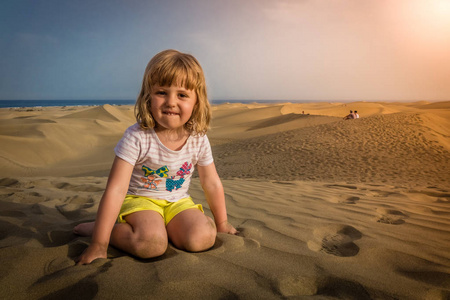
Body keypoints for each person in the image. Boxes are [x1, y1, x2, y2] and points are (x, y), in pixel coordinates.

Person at [74, 49, 237, 265]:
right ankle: (105, 230)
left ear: (196, 101)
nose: (170, 102)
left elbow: (211, 183)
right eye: (162, 92)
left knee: (202, 238)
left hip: (178, 202)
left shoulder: (198, 138)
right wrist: (98, 244)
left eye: (182, 95)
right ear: (148, 95)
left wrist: (222, 222)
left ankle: (167, 227)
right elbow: (116, 189)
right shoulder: (137, 136)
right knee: (151, 244)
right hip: (140, 202)